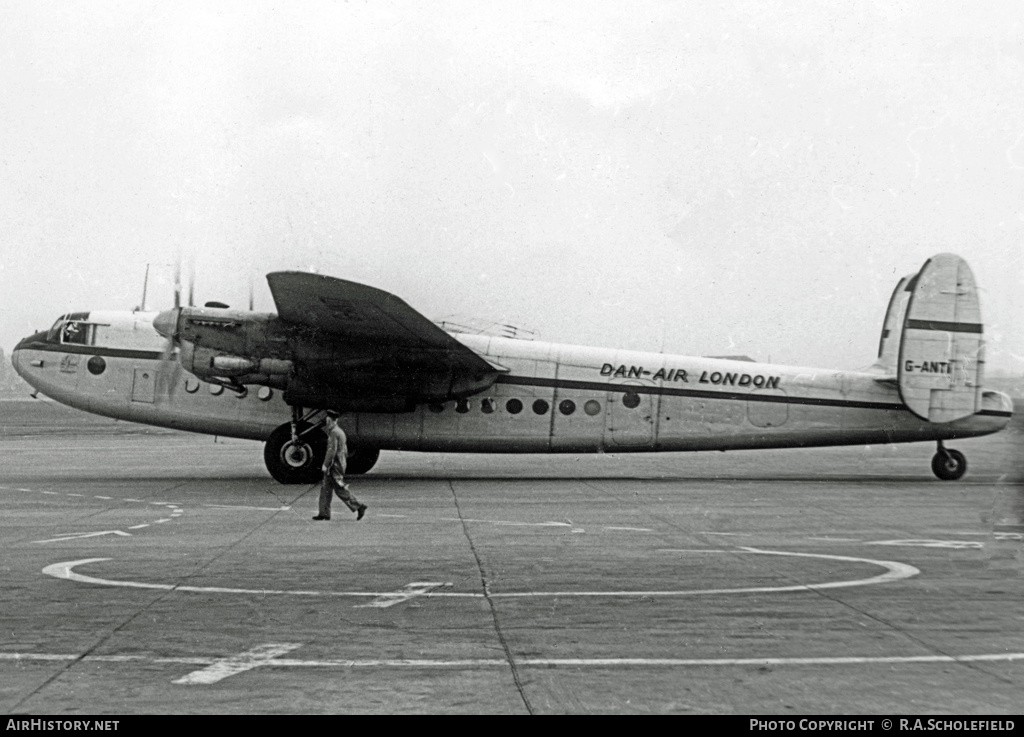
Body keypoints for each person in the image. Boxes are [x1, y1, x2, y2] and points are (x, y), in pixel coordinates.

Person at [312, 411, 367, 521]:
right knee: (325, 489)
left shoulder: (334, 433)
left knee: (339, 489)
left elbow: (332, 450)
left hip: (334, 465)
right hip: (339, 463)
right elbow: (344, 450)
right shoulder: (340, 432)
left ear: (329, 420)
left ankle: (359, 506)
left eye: (327, 420)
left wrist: (325, 464)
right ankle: (324, 513)